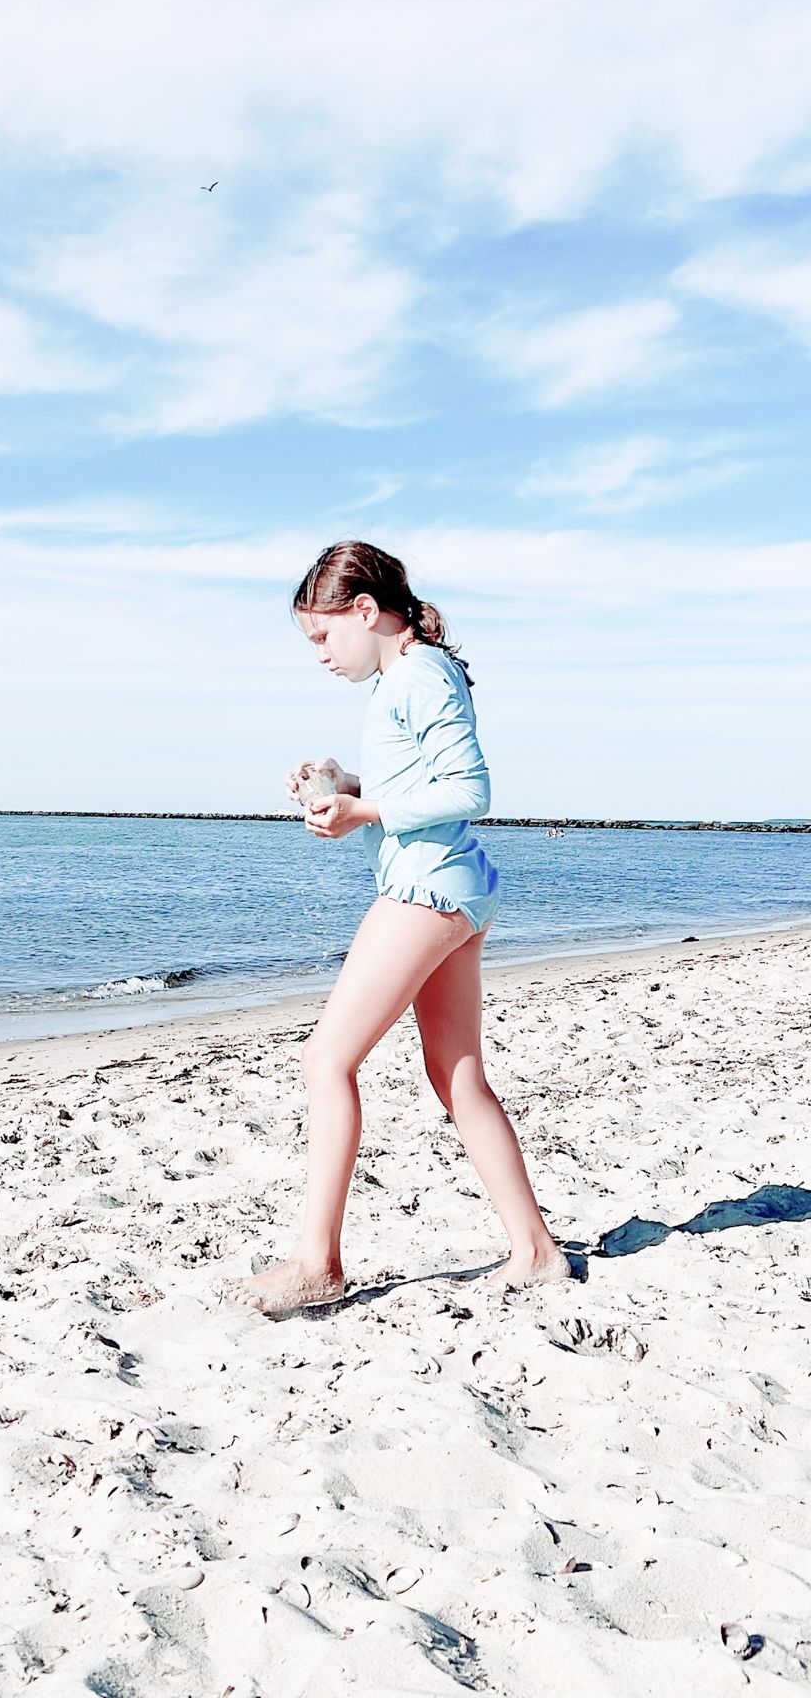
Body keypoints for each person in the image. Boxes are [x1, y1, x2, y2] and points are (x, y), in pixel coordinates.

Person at [221, 539, 571, 1318]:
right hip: (451, 889)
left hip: (425, 891)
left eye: (322, 636)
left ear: (365, 611)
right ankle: (536, 1251)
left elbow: (470, 787)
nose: (319, 655)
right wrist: (341, 783)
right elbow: (420, 779)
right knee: (458, 1078)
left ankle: (318, 1262)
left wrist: (362, 811)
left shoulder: (415, 674)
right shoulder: (411, 675)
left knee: (325, 1062)